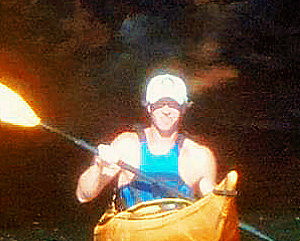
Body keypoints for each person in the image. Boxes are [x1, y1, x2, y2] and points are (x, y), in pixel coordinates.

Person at [75, 72, 218, 207]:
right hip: (131, 227)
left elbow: (214, 211)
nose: (166, 111)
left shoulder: (200, 156)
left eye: (173, 104)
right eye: (159, 104)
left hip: (178, 230)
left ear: (184, 108)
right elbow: (83, 195)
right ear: (149, 107)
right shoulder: (126, 145)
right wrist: (98, 168)